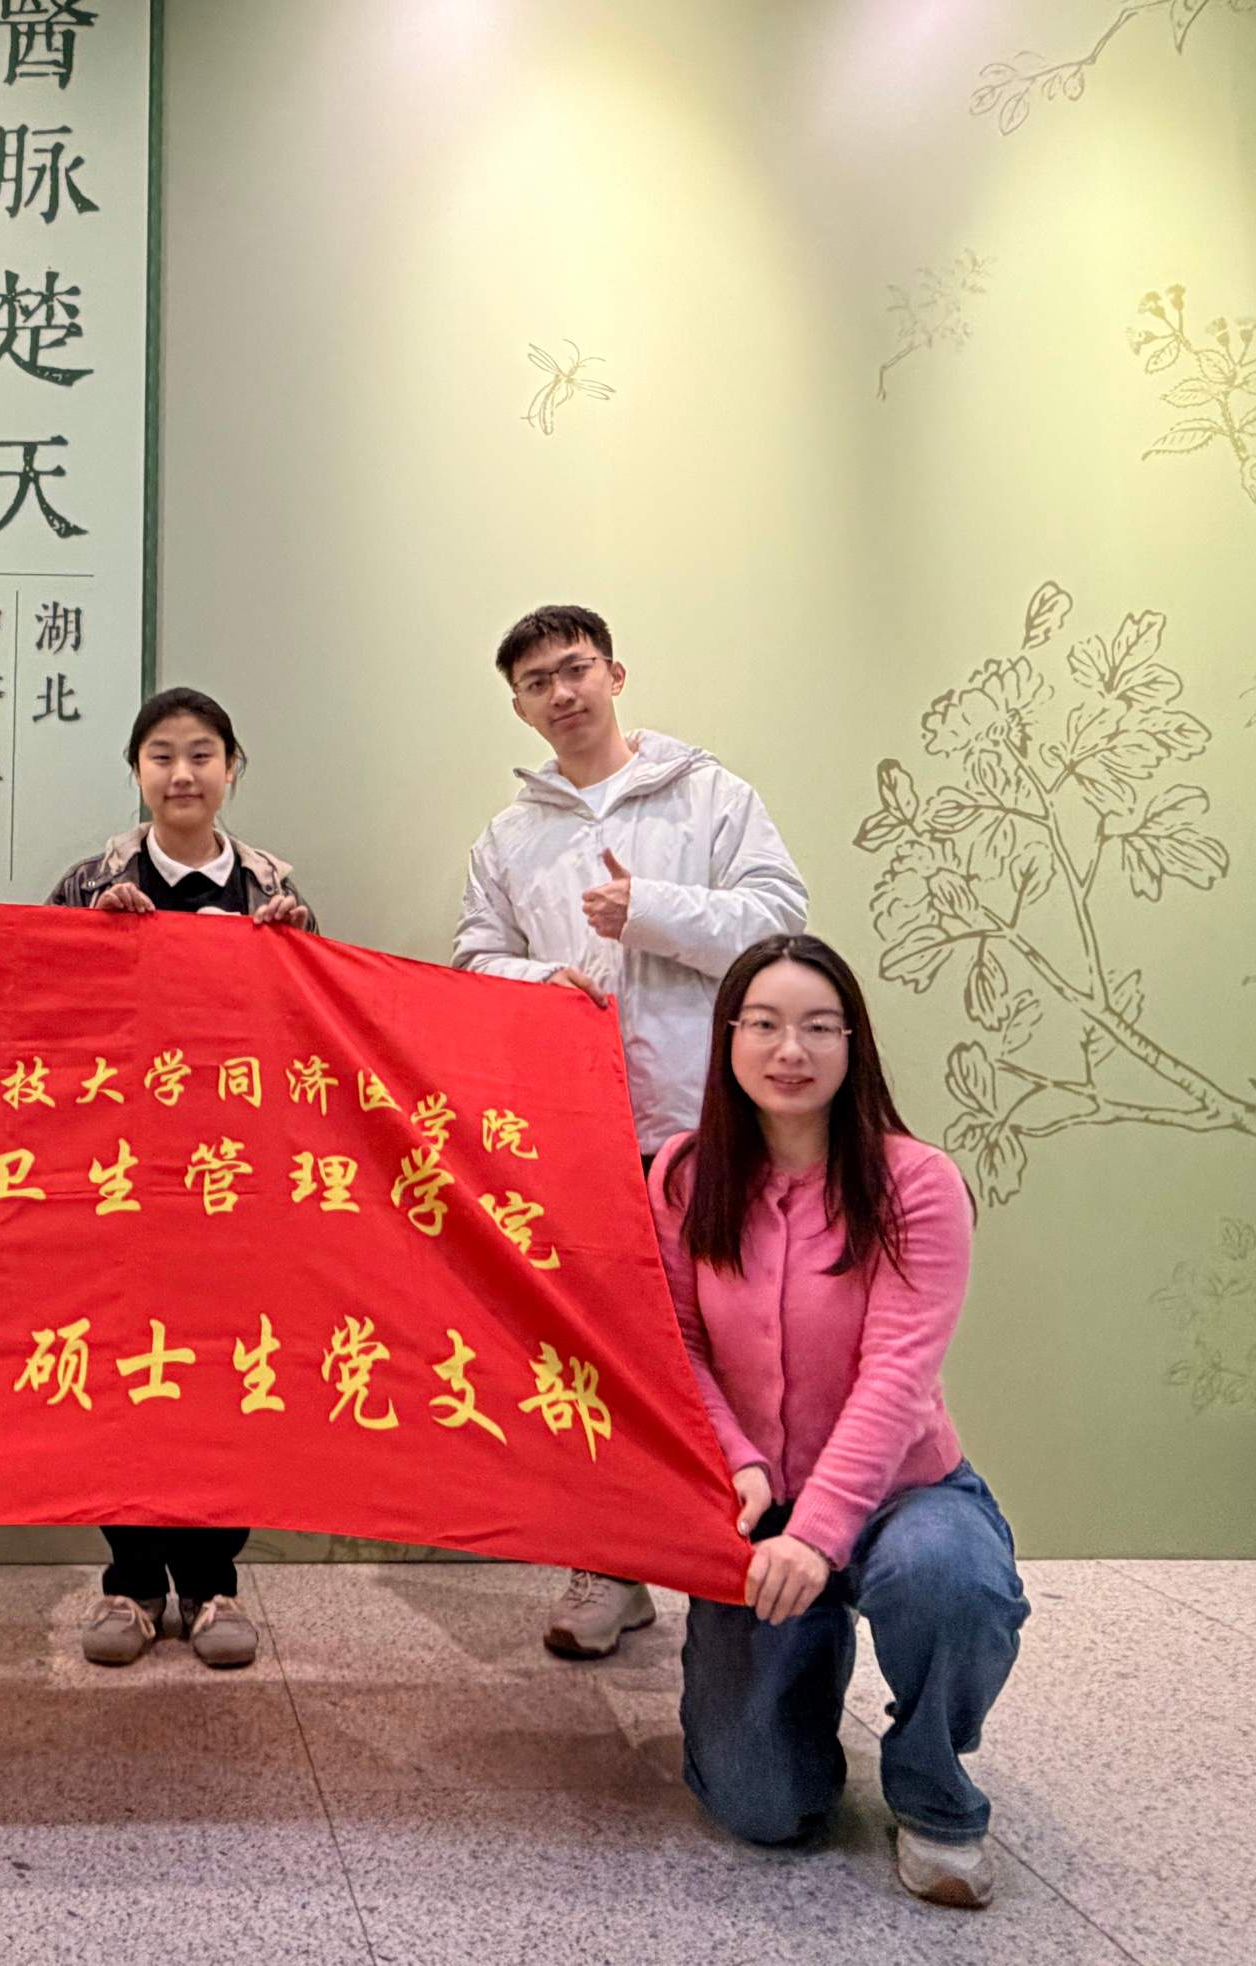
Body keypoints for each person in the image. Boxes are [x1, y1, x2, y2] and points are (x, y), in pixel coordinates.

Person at [451, 602, 808, 1660]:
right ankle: (611, 1564)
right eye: (536, 683)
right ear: (519, 708)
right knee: (597, 1354)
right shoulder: (511, 837)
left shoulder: (709, 795)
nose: (561, 694)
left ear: (614, 674)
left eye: (574, 670)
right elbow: (472, 958)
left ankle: (745, 1562)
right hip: (577, 1132)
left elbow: (780, 921)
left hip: (711, 1123)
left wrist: (648, 909)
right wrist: (539, 980)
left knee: (735, 1346)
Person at [654, 933, 1027, 1909]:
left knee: (950, 1578)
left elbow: (897, 1374)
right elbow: (677, 1342)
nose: (792, 1050)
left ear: (854, 1044)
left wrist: (819, 1534)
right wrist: (738, 1463)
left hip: (905, 1492)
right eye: (765, 1025)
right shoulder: (687, 1176)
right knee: (763, 1805)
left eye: (820, 1027)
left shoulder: (917, 1182)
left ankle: (934, 1788)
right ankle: (802, 1670)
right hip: (759, 1503)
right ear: (728, 1039)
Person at [44, 686, 313, 1670]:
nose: (182, 773)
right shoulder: (90, 881)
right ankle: (128, 1581)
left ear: (233, 767)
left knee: (222, 1373)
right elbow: (40, 1023)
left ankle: (210, 1582)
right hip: (119, 1179)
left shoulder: (274, 887)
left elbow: (313, 1034)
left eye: (202, 753)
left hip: (231, 1180)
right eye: (161, 755)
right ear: (136, 771)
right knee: (120, 1371)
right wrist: (91, 943)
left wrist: (298, 949)